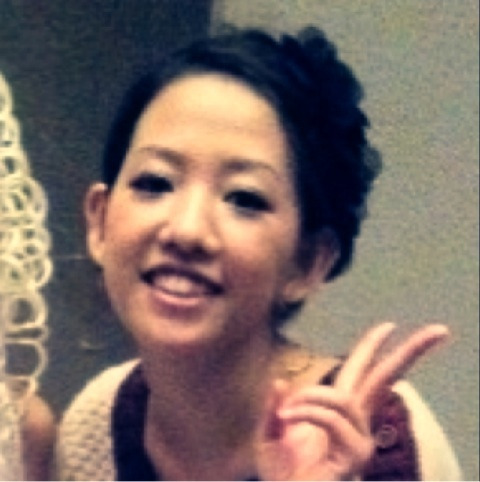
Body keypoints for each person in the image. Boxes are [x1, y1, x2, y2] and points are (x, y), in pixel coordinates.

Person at [55, 26, 461, 480]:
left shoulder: (378, 439)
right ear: (99, 221)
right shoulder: (94, 428)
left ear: (308, 262)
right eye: (155, 183)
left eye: (244, 199)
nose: (187, 230)